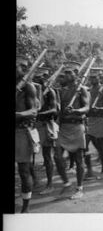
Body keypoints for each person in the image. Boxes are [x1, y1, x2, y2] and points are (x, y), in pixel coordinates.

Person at [54, 61, 90, 200]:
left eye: (70, 72)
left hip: (77, 127)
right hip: (63, 128)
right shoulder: (62, 90)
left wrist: (76, 110)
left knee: (79, 159)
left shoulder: (82, 90)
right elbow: (59, 109)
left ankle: (79, 188)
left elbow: (87, 108)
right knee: (57, 156)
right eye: (66, 72)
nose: (67, 74)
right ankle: (66, 182)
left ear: (76, 74)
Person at [15, 55, 38, 213]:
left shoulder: (28, 87)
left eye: (23, 67)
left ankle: (25, 207)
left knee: (24, 170)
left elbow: (34, 110)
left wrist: (20, 115)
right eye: (19, 66)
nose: (21, 70)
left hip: (23, 131)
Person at [34, 66, 59, 195]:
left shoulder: (50, 92)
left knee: (47, 156)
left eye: (42, 77)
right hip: (33, 126)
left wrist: (39, 113)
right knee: (31, 155)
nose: (39, 79)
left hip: (45, 125)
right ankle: (35, 181)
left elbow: (55, 110)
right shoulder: (30, 90)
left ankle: (50, 184)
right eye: (37, 77)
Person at [84, 67, 103, 180]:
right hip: (90, 121)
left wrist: (100, 108)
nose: (92, 80)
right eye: (91, 78)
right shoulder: (88, 90)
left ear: (99, 78)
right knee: (84, 146)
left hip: (101, 120)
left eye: (94, 77)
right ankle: (89, 170)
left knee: (101, 147)